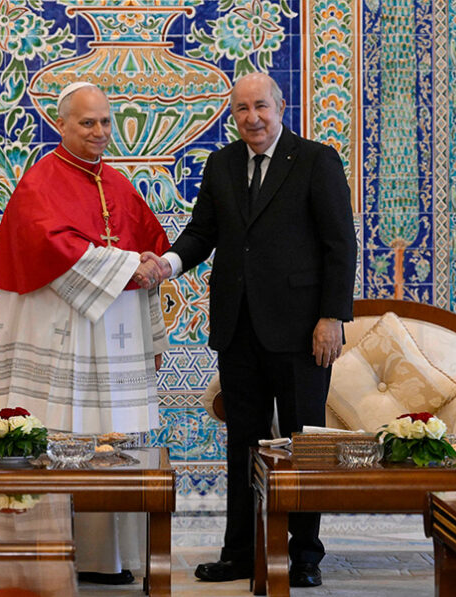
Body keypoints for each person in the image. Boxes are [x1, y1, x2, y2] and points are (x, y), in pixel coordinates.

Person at [152, 72, 357, 587]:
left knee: (301, 444)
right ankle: (240, 552)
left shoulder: (315, 160)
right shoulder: (221, 164)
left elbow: (341, 245)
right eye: (241, 109)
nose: (252, 118)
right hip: (238, 328)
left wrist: (331, 317)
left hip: (303, 331)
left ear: (281, 106)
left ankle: (305, 555)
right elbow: (203, 232)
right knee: (243, 445)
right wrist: (168, 265)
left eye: (260, 106)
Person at [0, 82, 169, 584]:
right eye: (87, 122)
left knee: (114, 445)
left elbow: (150, 244)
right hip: (62, 336)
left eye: (106, 121)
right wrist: (132, 265)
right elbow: (53, 249)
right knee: (60, 442)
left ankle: (113, 559)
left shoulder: (119, 183)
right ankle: (45, 557)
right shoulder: (39, 183)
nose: (100, 132)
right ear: (60, 124)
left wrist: (149, 264)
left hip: (111, 337)